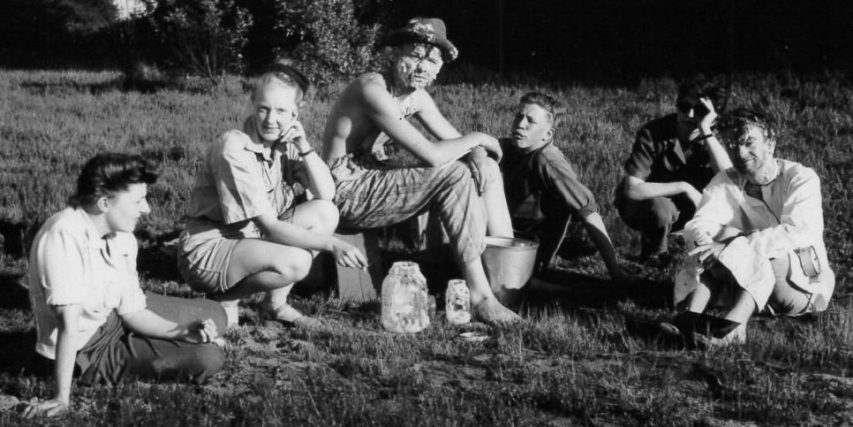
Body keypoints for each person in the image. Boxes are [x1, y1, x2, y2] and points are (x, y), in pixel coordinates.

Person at [321, 17, 520, 324]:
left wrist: (479, 154)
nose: (422, 66)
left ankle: (500, 277)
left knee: (480, 167)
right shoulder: (372, 89)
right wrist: (479, 138)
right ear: (395, 54)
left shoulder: (416, 97)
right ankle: (481, 296)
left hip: (373, 180)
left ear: (439, 68)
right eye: (414, 55)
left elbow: (455, 139)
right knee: (452, 173)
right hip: (343, 191)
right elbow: (432, 154)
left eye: (432, 60)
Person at [25, 153, 225, 418]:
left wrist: (181, 332)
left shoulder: (122, 237)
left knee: (215, 314)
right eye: (139, 200)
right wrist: (62, 397)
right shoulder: (63, 234)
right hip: (87, 350)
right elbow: (68, 325)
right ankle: (132, 351)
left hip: (114, 317)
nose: (147, 209)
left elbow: (132, 311)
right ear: (105, 203)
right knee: (208, 358)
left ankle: (170, 336)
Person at [178, 63, 366, 329]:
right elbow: (270, 226)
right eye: (263, 108)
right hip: (211, 249)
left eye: (280, 111)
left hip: (251, 240)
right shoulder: (234, 147)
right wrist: (332, 245)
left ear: (295, 113)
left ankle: (274, 306)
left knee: (325, 211)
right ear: (252, 104)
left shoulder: (285, 142)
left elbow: (327, 193)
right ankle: (223, 298)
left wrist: (304, 146)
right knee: (297, 263)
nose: (270, 120)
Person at [669, 108, 835, 346]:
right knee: (713, 239)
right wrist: (710, 247)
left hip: (800, 281)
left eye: (749, 142)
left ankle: (733, 330)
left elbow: (798, 232)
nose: (740, 152)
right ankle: (687, 321)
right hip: (748, 281)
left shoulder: (801, 177)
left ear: (770, 143)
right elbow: (699, 223)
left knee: (751, 248)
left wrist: (732, 247)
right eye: (733, 144)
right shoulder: (727, 179)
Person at [500, 92, 624, 280]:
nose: (520, 124)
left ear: (547, 134)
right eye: (519, 116)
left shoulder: (547, 160)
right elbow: (482, 143)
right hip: (506, 236)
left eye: (530, 121)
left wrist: (615, 273)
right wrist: (478, 153)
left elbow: (588, 211)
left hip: (528, 250)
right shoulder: (512, 147)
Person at [615, 76, 732, 259]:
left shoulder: (715, 138)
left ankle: (705, 256)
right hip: (647, 205)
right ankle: (654, 256)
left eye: (700, 110)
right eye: (684, 107)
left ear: (713, 115)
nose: (690, 115)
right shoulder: (654, 132)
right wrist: (684, 187)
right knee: (659, 208)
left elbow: (731, 179)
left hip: (694, 207)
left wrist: (705, 131)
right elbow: (632, 190)